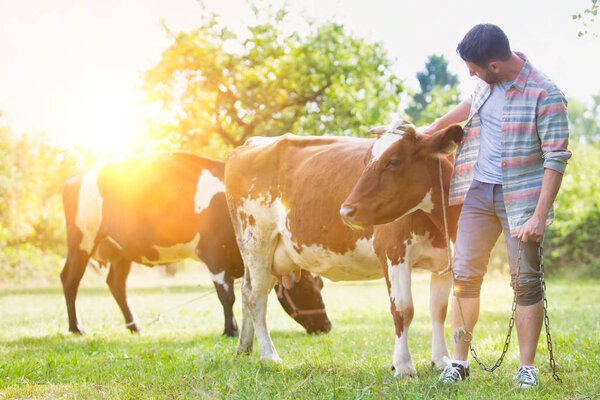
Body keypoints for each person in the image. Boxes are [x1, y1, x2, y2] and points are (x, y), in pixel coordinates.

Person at [417, 24, 571, 388]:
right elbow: (469, 105)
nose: (469, 73)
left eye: (473, 66)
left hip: (521, 201)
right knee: (465, 278)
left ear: (495, 65)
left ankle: (527, 367)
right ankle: (459, 362)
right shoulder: (485, 84)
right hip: (477, 193)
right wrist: (426, 130)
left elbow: (556, 157)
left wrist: (538, 215)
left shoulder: (545, 94)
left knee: (526, 283)